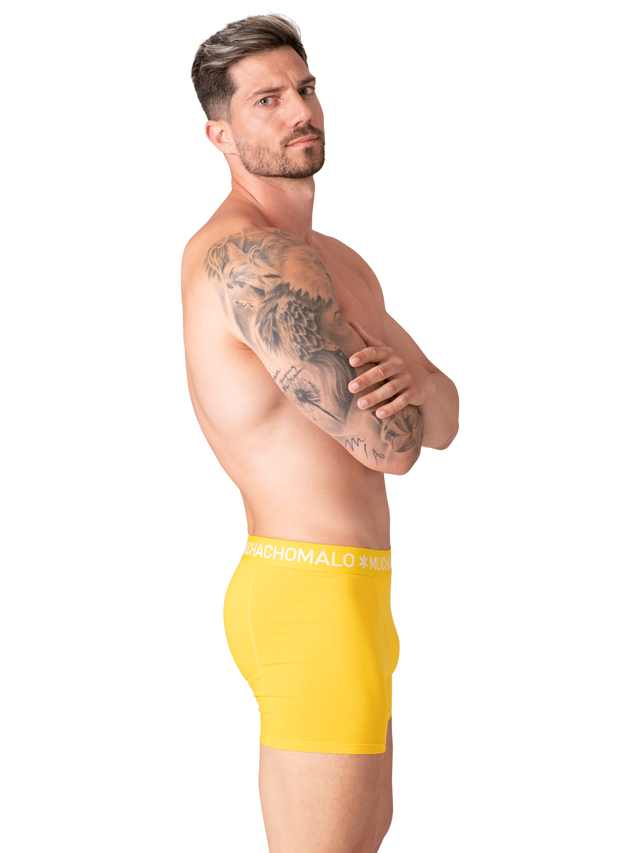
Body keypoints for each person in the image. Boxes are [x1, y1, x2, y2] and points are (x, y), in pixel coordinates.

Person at [182, 10, 461, 851]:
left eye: (304, 89)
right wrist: (416, 390)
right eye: (266, 100)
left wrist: (418, 386)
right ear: (219, 134)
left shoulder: (339, 260)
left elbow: (446, 416)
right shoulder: (253, 260)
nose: (300, 111)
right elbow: (397, 446)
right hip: (310, 595)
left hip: (354, 590)